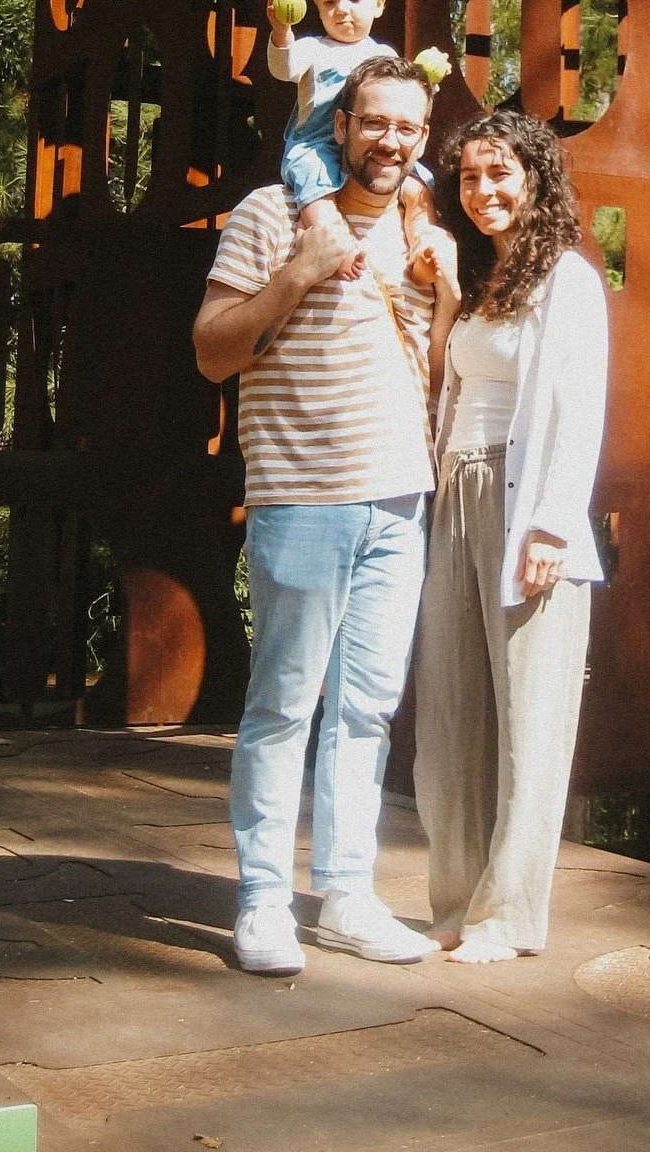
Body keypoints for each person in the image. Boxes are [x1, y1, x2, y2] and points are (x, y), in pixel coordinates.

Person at [192, 55, 459, 976]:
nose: (390, 140)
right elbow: (212, 354)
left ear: (424, 143)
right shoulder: (273, 213)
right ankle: (263, 901)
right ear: (339, 127)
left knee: (367, 713)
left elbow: (436, 370)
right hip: (302, 496)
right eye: (374, 121)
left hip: (400, 497)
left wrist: (451, 288)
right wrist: (299, 275)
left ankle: (347, 895)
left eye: (409, 129)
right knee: (282, 707)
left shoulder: (422, 228)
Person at [414, 110, 609, 963]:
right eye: (470, 178)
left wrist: (553, 526)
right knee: (452, 711)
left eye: (501, 175)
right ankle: (456, 902)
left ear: (536, 180)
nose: (484, 192)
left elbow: (578, 409)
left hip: (525, 506)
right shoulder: (486, 282)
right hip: (455, 496)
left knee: (528, 721)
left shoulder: (565, 278)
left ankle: (509, 916)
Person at [266, 0, 436, 281]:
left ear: (379, 4)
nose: (342, 9)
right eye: (330, 1)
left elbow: (402, 97)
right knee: (316, 185)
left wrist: (429, 81)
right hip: (317, 142)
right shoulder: (312, 49)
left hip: (369, 145)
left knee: (419, 183)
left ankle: (423, 242)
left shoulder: (384, 54)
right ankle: (332, 245)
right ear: (315, 5)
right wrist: (281, 32)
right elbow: (282, 69)